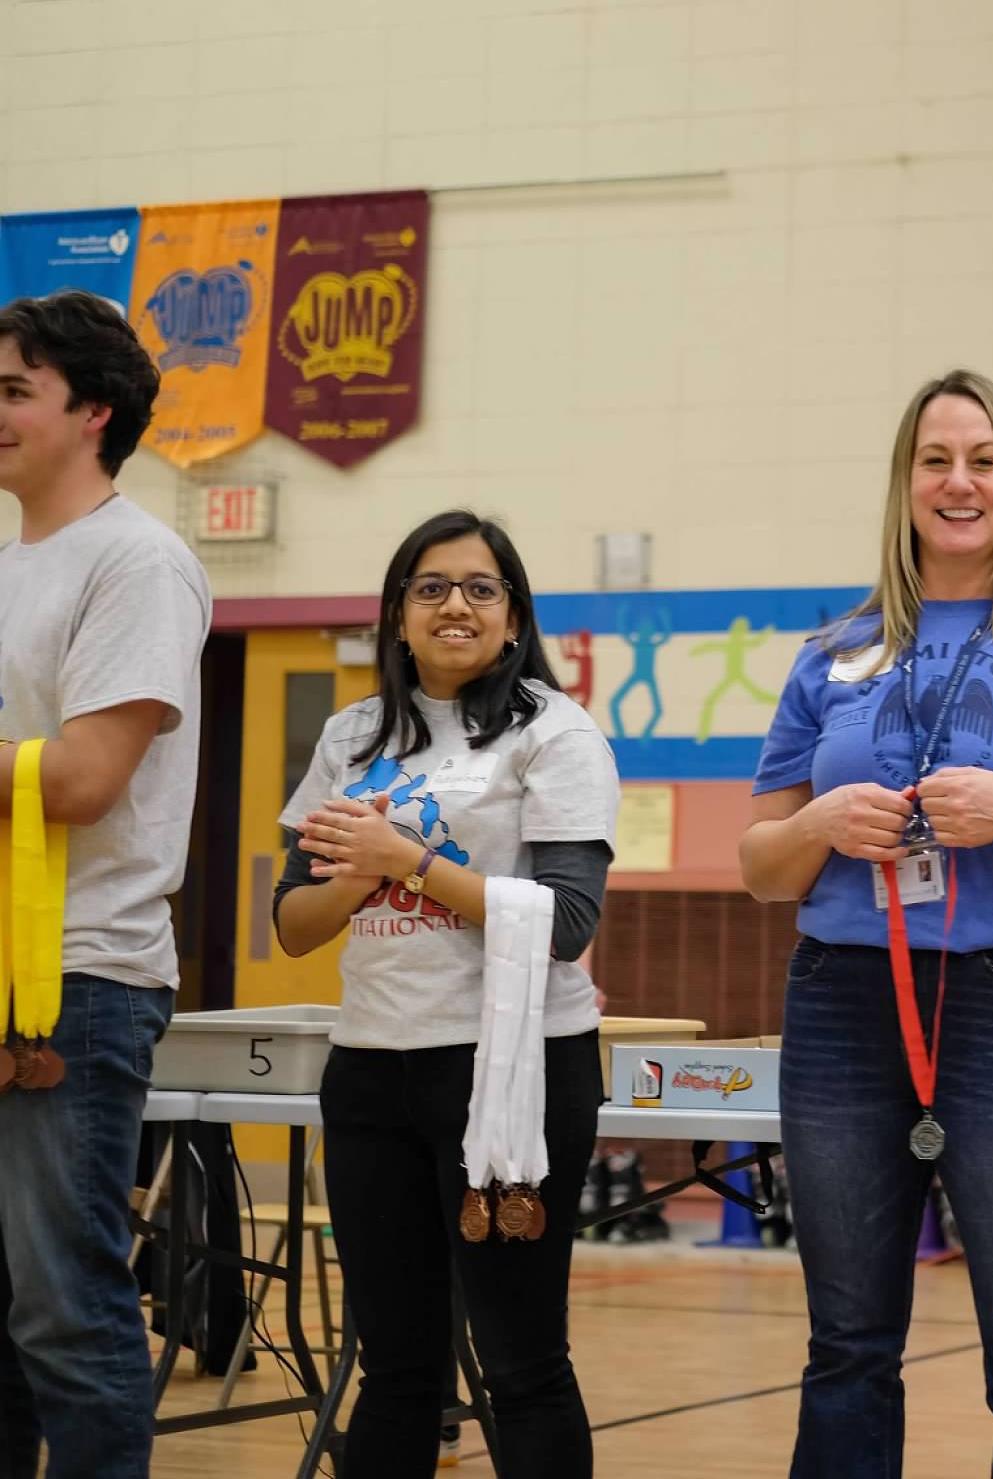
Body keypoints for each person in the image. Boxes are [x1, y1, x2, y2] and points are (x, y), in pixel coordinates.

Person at [740, 368, 993, 1479]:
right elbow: (762, 868)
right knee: (847, 1347)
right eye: (937, 460)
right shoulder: (831, 655)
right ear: (906, 482)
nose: (959, 481)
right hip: (842, 1005)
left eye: (984, 460)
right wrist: (822, 820)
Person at [274, 510, 620, 1479]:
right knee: (394, 1368)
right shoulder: (351, 735)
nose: (454, 604)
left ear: (513, 618)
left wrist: (407, 859)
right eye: (430, 587)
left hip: (512, 1072)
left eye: (479, 586)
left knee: (521, 1362)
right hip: (373, 1072)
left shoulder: (554, 731)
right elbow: (294, 923)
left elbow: (567, 923)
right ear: (397, 614)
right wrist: (359, 873)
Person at [0, 290, 210, 1479]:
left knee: (67, 1311)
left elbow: (81, 778)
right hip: (4, 972)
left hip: (76, 978)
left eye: (14, 390)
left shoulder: (139, 562)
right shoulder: (10, 563)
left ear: (94, 411)